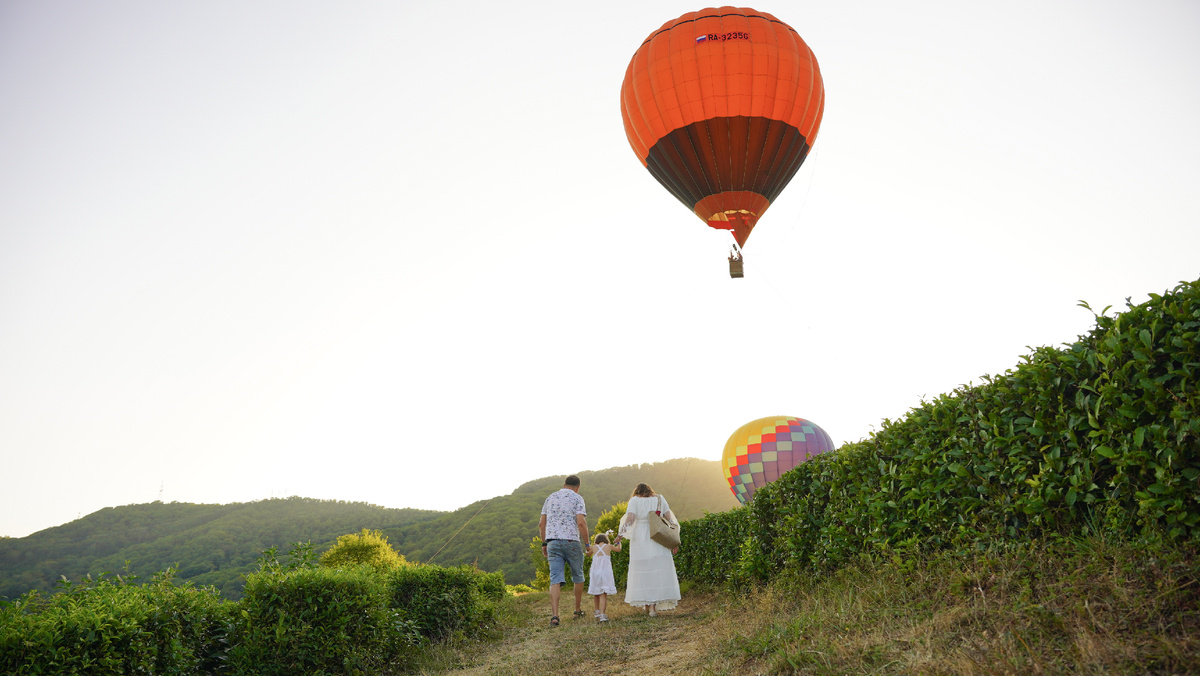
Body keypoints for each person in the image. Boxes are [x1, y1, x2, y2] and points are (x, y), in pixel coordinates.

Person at [619, 482, 680, 616]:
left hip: (640, 537)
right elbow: (670, 518)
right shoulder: (659, 498)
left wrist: (621, 534)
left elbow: (630, 519)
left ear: (637, 492)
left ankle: (648, 605)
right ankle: (651, 607)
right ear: (650, 490)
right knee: (656, 569)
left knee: (643, 569)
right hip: (658, 535)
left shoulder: (634, 501)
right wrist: (674, 537)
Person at [539, 474, 589, 626]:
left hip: (553, 542)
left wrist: (544, 544)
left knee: (555, 578)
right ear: (577, 488)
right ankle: (577, 609)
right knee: (578, 575)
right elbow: (581, 522)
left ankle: (555, 616)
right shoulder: (577, 498)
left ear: (564, 484)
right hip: (571, 541)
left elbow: (542, 524)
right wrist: (587, 544)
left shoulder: (550, 498)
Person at [585, 532, 622, 622]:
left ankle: (597, 611)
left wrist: (587, 550)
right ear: (606, 540)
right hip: (605, 571)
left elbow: (588, 554)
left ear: (596, 541)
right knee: (603, 593)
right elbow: (619, 549)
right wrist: (618, 542)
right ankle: (602, 614)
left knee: (596, 591)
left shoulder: (593, 547)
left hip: (595, 572)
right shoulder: (609, 546)